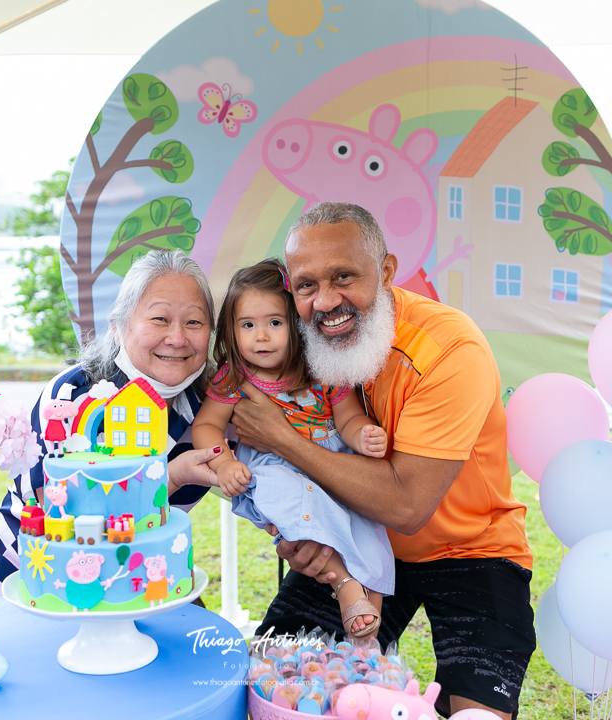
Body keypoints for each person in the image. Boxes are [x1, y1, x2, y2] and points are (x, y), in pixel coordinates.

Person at [229, 203, 535, 720]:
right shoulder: (295, 342)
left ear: (387, 271)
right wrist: (302, 533)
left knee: (476, 715)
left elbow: (407, 503)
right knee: (272, 687)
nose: (326, 302)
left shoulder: (448, 349)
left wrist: (283, 439)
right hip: (357, 537)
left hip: (472, 551)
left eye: (343, 277)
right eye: (306, 286)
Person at [0, 249, 221, 589]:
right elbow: (63, 508)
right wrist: (172, 476)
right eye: (159, 319)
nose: (178, 338)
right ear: (117, 327)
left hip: (137, 571)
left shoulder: (207, 410)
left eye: (194, 322)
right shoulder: (72, 396)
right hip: (40, 570)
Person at [191, 259, 393, 639]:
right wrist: (223, 463)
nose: (261, 337)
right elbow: (207, 426)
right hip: (274, 468)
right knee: (283, 493)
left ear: (297, 325)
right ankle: (347, 586)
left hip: (332, 462)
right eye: (247, 325)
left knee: (368, 526)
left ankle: (366, 629)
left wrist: (363, 433)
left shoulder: (323, 368)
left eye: (275, 323)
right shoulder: (234, 377)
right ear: (232, 332)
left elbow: (347, 417)